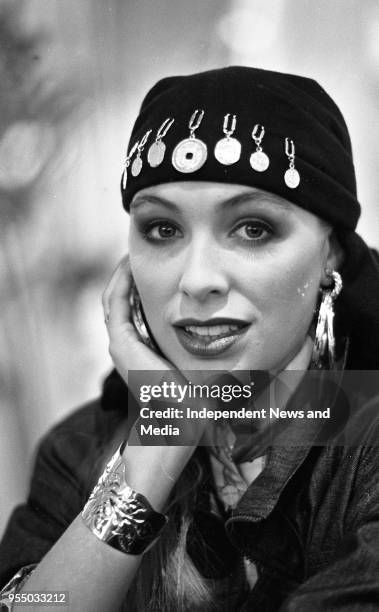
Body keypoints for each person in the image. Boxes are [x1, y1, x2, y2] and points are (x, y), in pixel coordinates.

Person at [1, 66, 379, 612]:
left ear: (332, 255)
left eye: (253, 228)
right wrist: (155, 453)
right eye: (163, 230)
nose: (197, 278)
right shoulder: (79, 447)